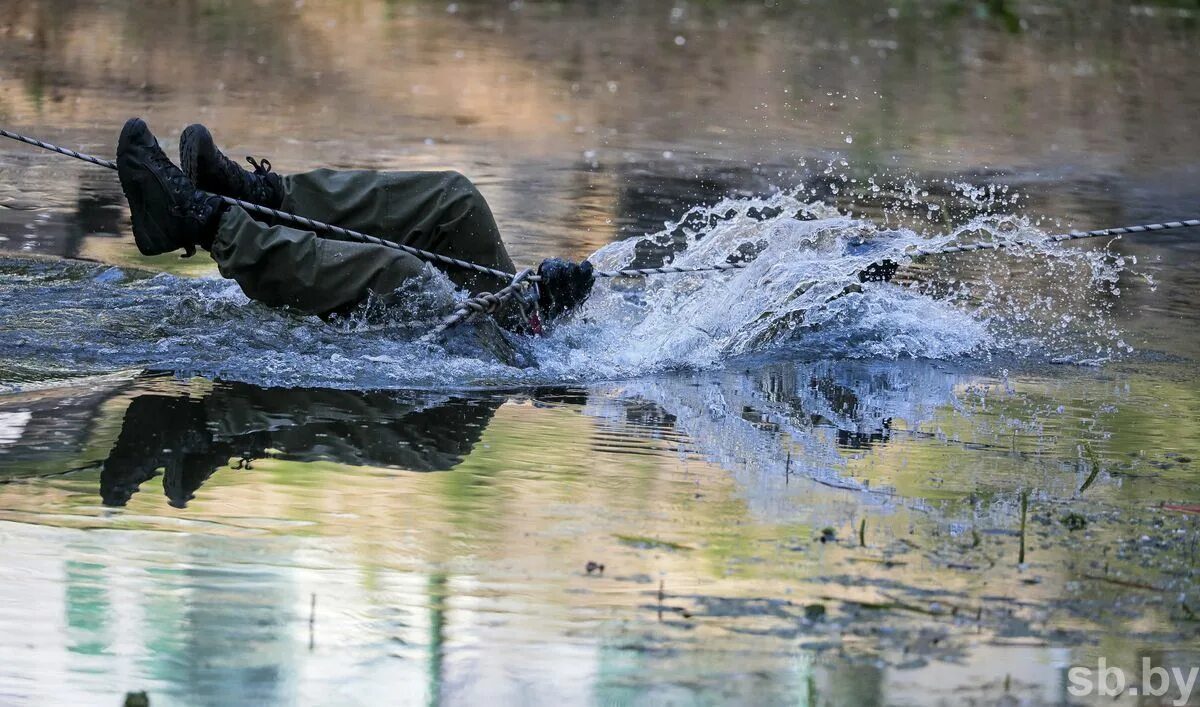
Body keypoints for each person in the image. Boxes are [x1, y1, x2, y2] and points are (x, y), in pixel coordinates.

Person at [114, 117, 595, 325]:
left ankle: (204, 221)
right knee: (457, 200)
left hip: (500, 345)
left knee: (410, 283)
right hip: (518, 323)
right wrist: (546, 300)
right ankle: (262, 199)